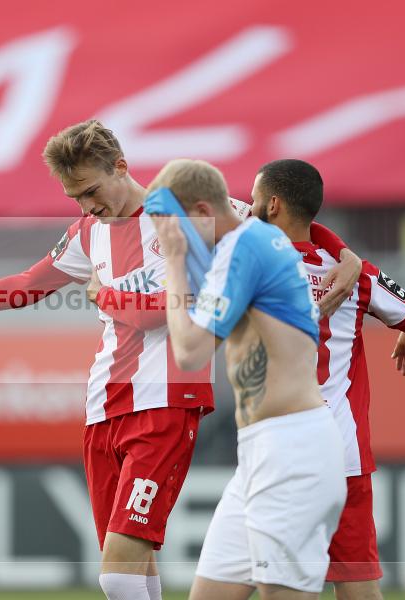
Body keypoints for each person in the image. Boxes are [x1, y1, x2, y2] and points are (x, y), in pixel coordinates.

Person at [0, 120, 357, 600]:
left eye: (90, 191)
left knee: (118, 576)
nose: (86, 205)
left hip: (166, 401)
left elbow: (287, 222)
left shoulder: (188, 208)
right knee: (132, 575)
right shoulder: (86, 232)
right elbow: (28, 285)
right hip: (104, 406)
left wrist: (346, 256)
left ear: (121, 166)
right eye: (74, 197)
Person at [249, 159, 405, 600]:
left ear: (274, 204)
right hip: (344, 455)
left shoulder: (248, 259)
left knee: (278, 583)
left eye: (255, 198)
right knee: (357, 583)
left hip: (282, 448)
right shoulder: (356, 276)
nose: (249, 205)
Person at [149, 158, 347, 600]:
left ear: (201, 211)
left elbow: (191, 351)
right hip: (263, 451)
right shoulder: (254, 241)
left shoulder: (245, 245)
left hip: (291, 453)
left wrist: (176, 262)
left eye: (168, 225)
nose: (164, 239)